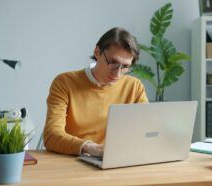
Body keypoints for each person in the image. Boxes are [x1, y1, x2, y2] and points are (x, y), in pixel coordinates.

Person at [43, 27, 148, 157]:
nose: (118, 73)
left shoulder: (134, 87)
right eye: (113, 62)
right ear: (97, 52)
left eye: (125, 66)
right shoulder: (64, 83)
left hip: (115, 161)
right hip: (73, 161)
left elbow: (146, 130)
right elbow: (51, 136)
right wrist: (91, 148)